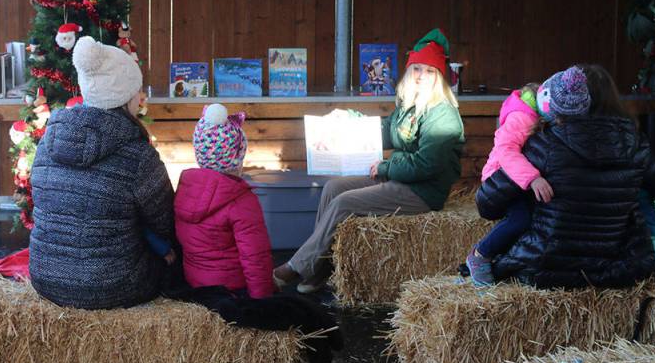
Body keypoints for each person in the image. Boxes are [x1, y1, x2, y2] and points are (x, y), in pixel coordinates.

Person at [274, 29, 466, 293]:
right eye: (417, 69)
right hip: (400, 177)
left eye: (430, 71)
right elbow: (387, 131)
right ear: (410, 71)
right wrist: (351, 119)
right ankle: (321, 267)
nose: (422, 75)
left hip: (422, 190)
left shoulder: (442, 114)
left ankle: (299, 266)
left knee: (345, 202)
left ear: (440, 76)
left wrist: (387, 167)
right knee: (333, 188)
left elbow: (427, 164)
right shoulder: (410, 104)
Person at [475, 64, 655, 288]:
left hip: (545, 269)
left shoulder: (543, 144)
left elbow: (488, 202)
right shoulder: (633, 144)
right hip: (616, 270)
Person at [29, 36, 175, 309]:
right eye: (137, 91)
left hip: (45, 278)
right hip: (115, 284)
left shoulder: (48, 141)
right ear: (128, 95)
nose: (140, 97)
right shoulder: (139, 155)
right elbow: (165, 221)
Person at [174, 103, 276, 299]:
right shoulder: (241, 199)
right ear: (238, 156)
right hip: (232, 290)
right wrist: (262, 304)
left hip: (196, 286)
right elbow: (255, 258)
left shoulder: (185, 188)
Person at [465, 83, 554, 286]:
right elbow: (507, 152)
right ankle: (480, 255)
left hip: (516, 180)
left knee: (531, 219)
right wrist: (533, 178)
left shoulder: (533, 116)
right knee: (520, 219)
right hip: (501, 180)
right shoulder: (522, 118)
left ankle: (508, 261)